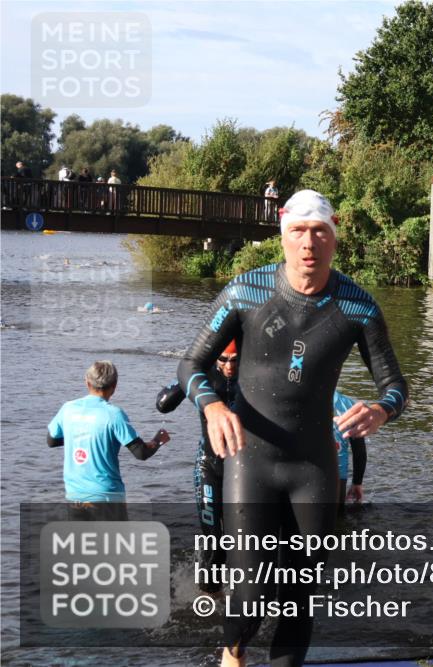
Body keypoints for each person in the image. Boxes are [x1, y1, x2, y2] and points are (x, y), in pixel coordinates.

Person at [177, 189, 407, 667]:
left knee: (300, 596)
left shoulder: (357, 306)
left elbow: (396, 385)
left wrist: (382, 410)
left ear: (334, 240)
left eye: (320, 232)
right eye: (298, 232)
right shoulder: (247, 291)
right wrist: (213, 408)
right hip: (251, 460)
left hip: (314, 467)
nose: (309, 243)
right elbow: (192, 363)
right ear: (283, 238)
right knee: (251, 591)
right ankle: (232, 652)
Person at [157, 341, 240, 593]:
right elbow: (163, 404)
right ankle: (208, 596)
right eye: (223, 360)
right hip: (209, 465)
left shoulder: (254, 372)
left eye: (234, 360)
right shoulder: (203, 375)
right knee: (213, 538)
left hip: (243, 471)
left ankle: (243, 594)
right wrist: (188, 377)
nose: (228, 366)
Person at [47, 361, 170, 521]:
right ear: (114, 386)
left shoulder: (68, 408)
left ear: (87, 382)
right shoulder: (114, 415)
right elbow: (141, 453)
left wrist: (79, 434)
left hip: (75, 496)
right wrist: (158, 440)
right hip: (106, 497)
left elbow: (51, 440)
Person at [333, 391, 367, 509]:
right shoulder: (348, 405)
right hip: (337, 477)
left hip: (303, 471)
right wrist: (357, 482)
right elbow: (359, 452)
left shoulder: (300, 399)